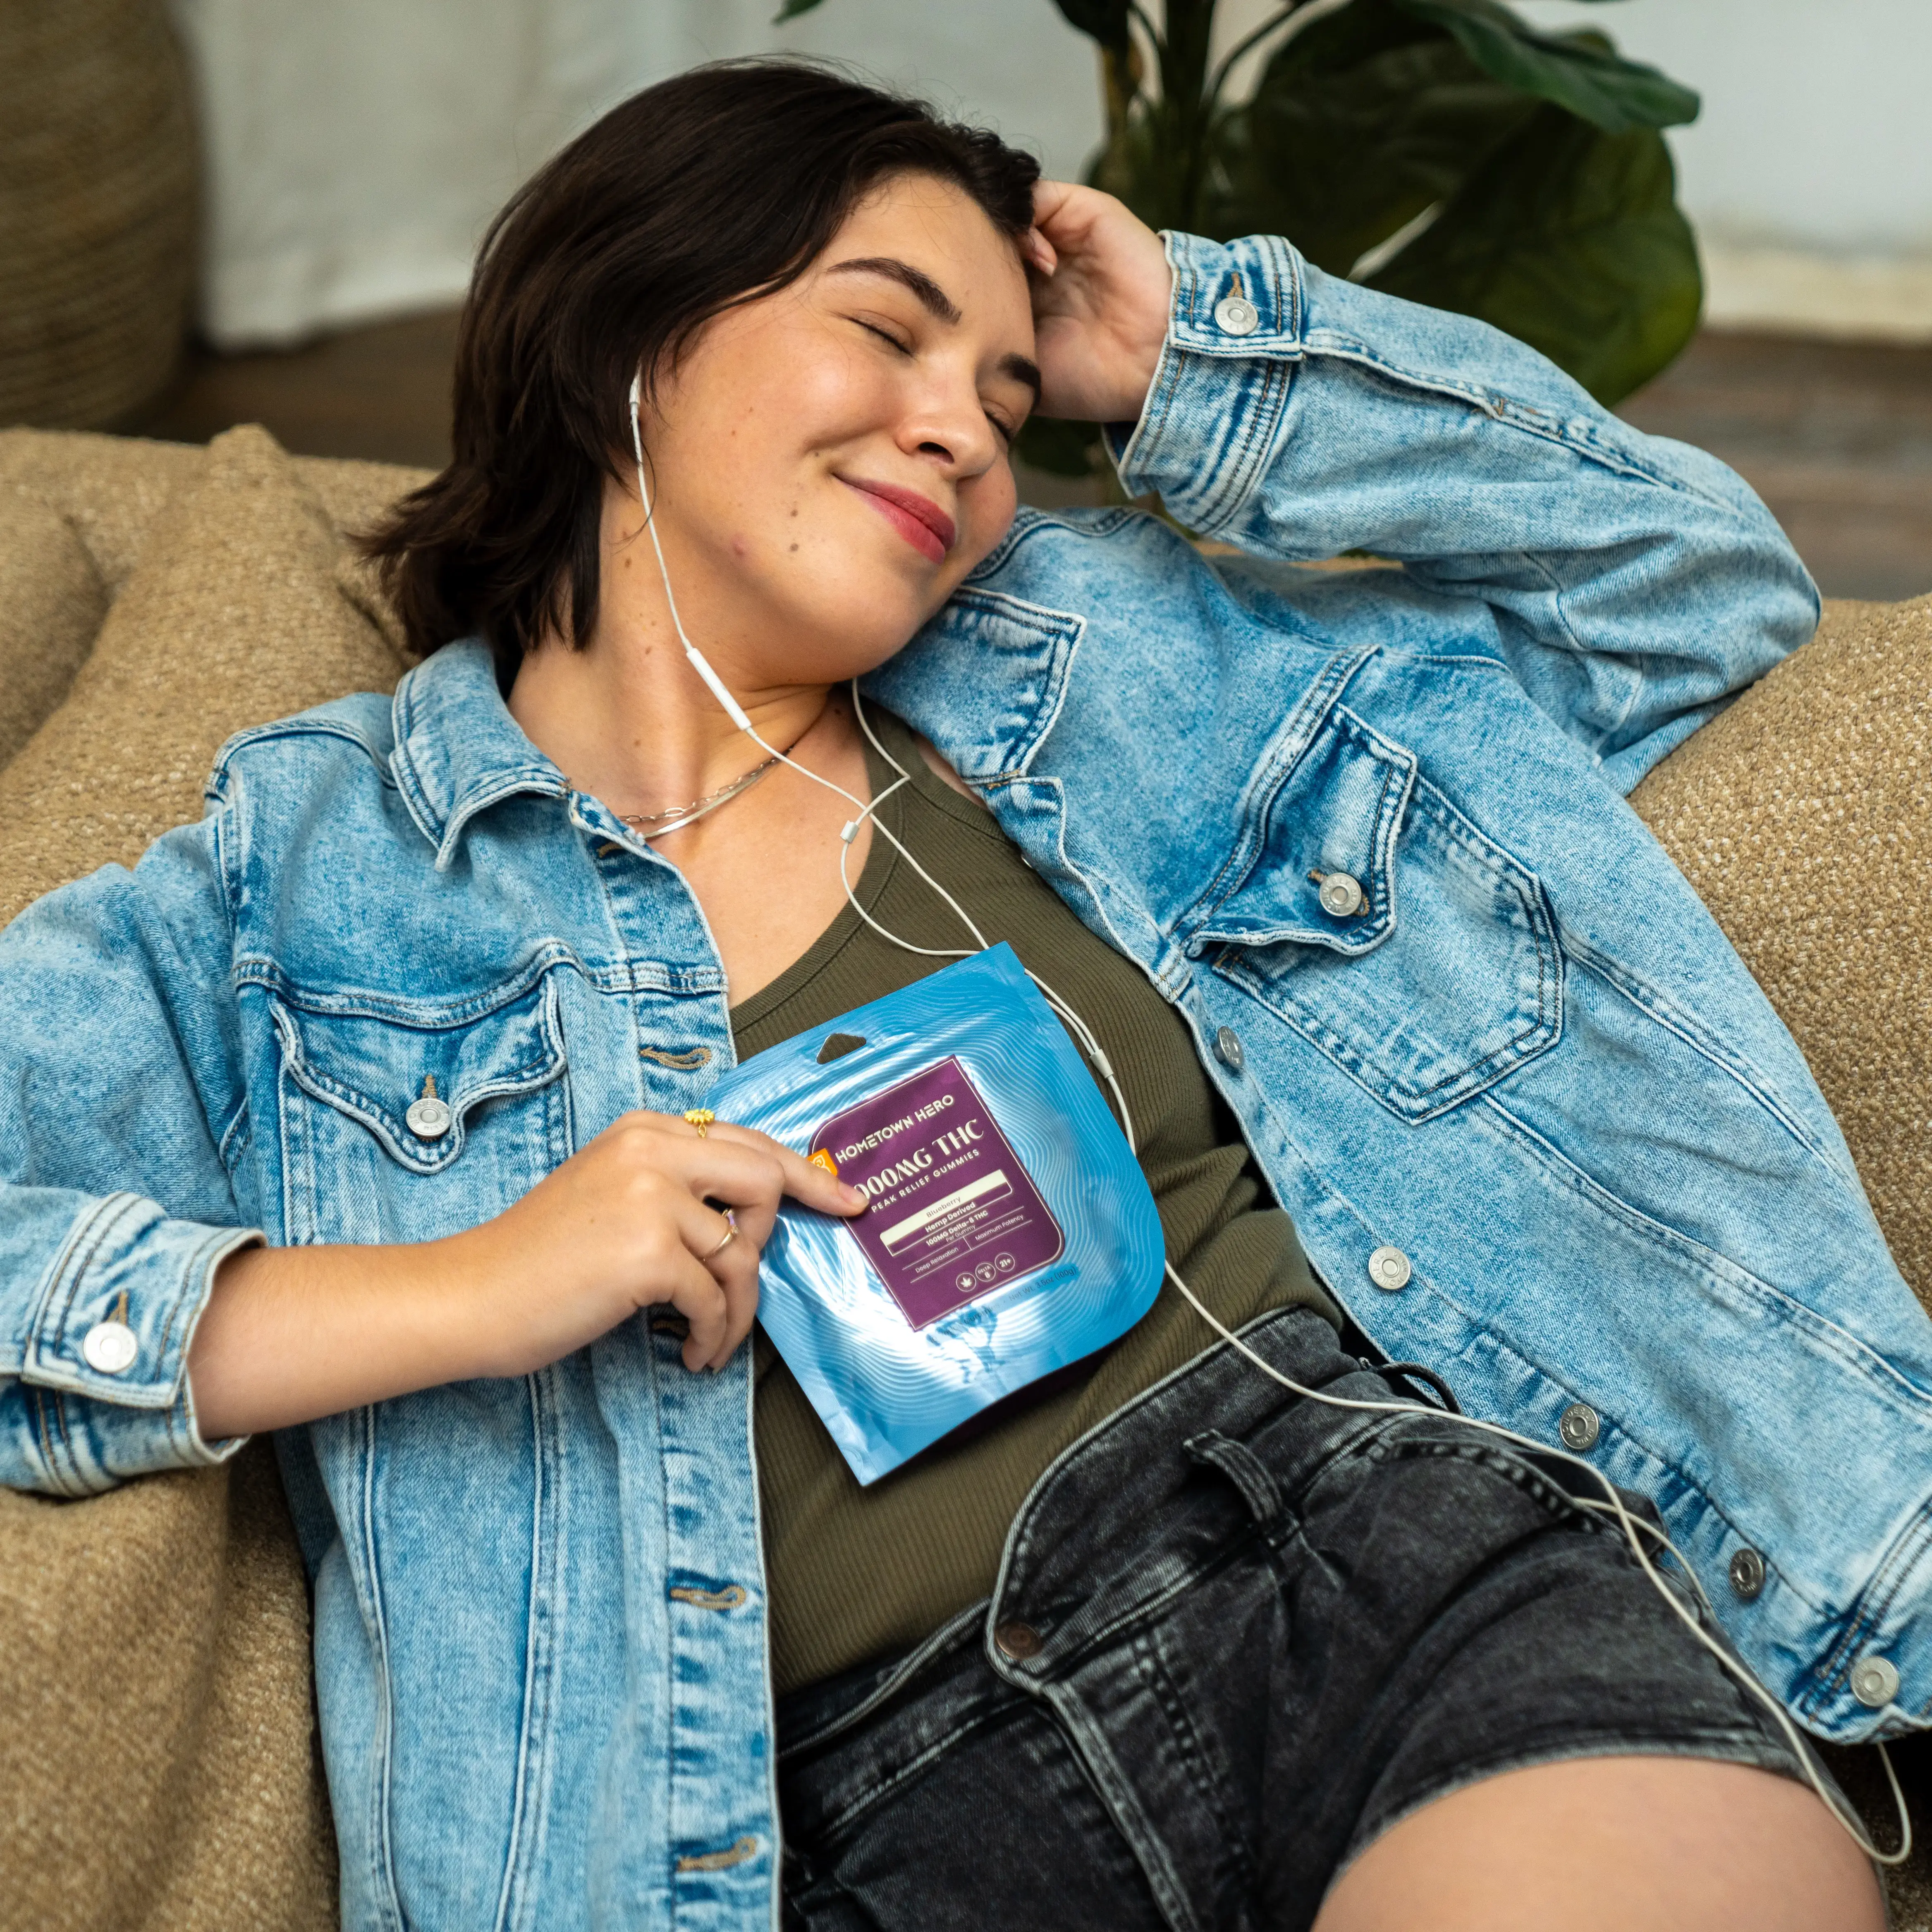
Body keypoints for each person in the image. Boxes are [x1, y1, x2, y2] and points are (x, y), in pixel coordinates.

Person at [0, 55, 1920, 1932]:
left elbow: (1689, 596)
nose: (967, 435)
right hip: (842, 1816)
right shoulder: (306, 881)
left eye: (1006, 395)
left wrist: (1192, 359)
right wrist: (468, 1287)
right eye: (889, 331)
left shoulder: (1106, 651)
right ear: (634, 326)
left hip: (1394, 1576)